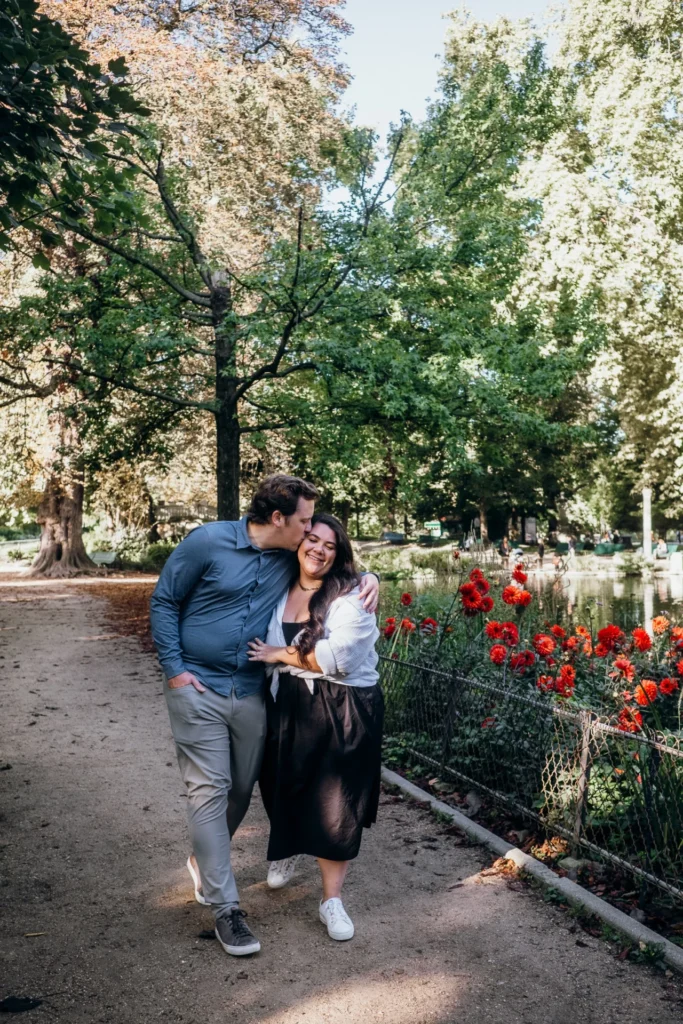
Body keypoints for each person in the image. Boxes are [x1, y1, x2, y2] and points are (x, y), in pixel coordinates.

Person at [149, 476, 379, 957]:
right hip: (199, 688)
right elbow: (165, 600)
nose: (309, 531)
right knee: (209, 791)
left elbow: (333, 570)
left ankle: (203, 857)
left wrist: (368, 578)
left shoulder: (284, 556)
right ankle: (226, 908)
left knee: (241, 786)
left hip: (252, 691)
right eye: (303, 522)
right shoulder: (207, 542)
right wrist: (175, 671)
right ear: (279, 519)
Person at [248, 513, 384, 943]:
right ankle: (286, 847)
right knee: (278, 782)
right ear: (297, 541)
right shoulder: (278, 584)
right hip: (287, 704)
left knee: (335, 804)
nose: (318, 549)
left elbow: (335, 659)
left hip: (343, 707)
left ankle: (331, 900)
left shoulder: (352, 598)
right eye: (311, 538)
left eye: (329, 544)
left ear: (339, 553)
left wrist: (276, 654)